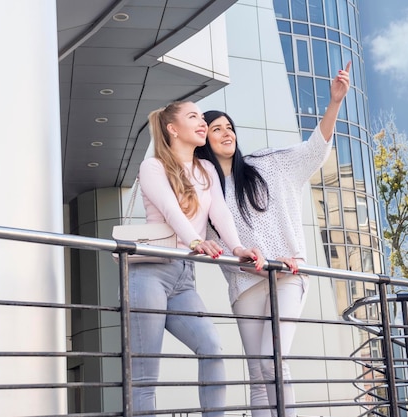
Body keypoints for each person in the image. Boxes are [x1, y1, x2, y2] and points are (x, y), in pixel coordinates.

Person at [195, 61, 352, 416]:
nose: (226, 133)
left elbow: (314, 151)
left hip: (286, 275)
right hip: (243, 282)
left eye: (229, 127)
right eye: (216, 129)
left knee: (273, 361)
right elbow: (201, 238)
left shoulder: (267, 164)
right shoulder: (202, 189)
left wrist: (335, 103)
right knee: (257, 374)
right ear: (202, 140)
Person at [130, 100, 266, 417]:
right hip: (149, 272)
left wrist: (237, 249)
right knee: (145, 373)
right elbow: (168, 208)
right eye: (194, 117)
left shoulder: (205, 169)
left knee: (212, 348)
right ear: (173, 129)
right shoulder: (153, 167)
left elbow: (220, 212)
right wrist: (194, 239)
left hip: (183, 278)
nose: (202, 122)